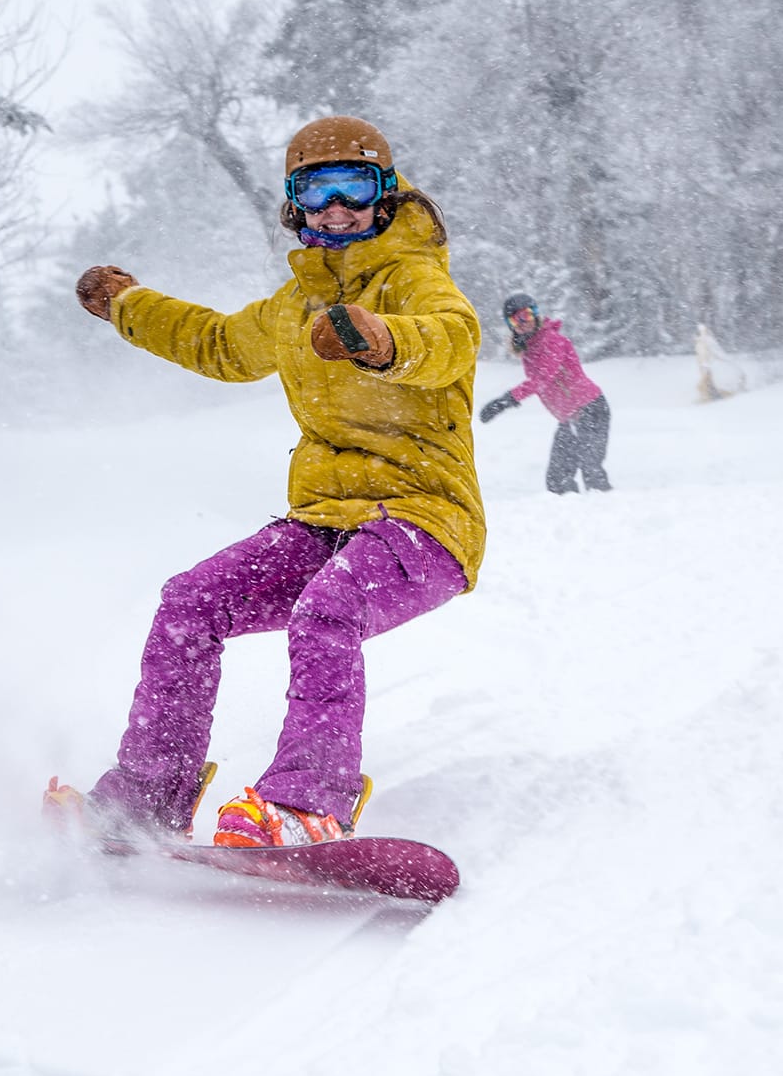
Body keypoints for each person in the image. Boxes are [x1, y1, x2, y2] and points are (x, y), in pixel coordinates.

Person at [51, 117, 483, 850]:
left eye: (356, 186)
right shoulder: (293, 307)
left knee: (328, 610)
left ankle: (310, 801)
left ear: (386, 196)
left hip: (426, 521)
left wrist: (382, 339)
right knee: (191, 603)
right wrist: (126, 305)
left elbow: (451, 337)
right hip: (324, 518)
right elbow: (219, 344)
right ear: (294, 205)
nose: (337, 207)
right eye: (317, 190)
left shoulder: (414, 277)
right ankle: (150, 795)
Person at [478, 294, 612, 493]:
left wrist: (506, 400)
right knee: (558, 481)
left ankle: (613, 515)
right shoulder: (530, 348)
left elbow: (542, 380)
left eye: (527, 315)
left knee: (591, 473)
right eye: (516, 319)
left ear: (536, 315)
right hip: (570, 417)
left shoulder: (552, 340)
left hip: (590, 409)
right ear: (510, 324)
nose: (523, 322)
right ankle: (568, 520)